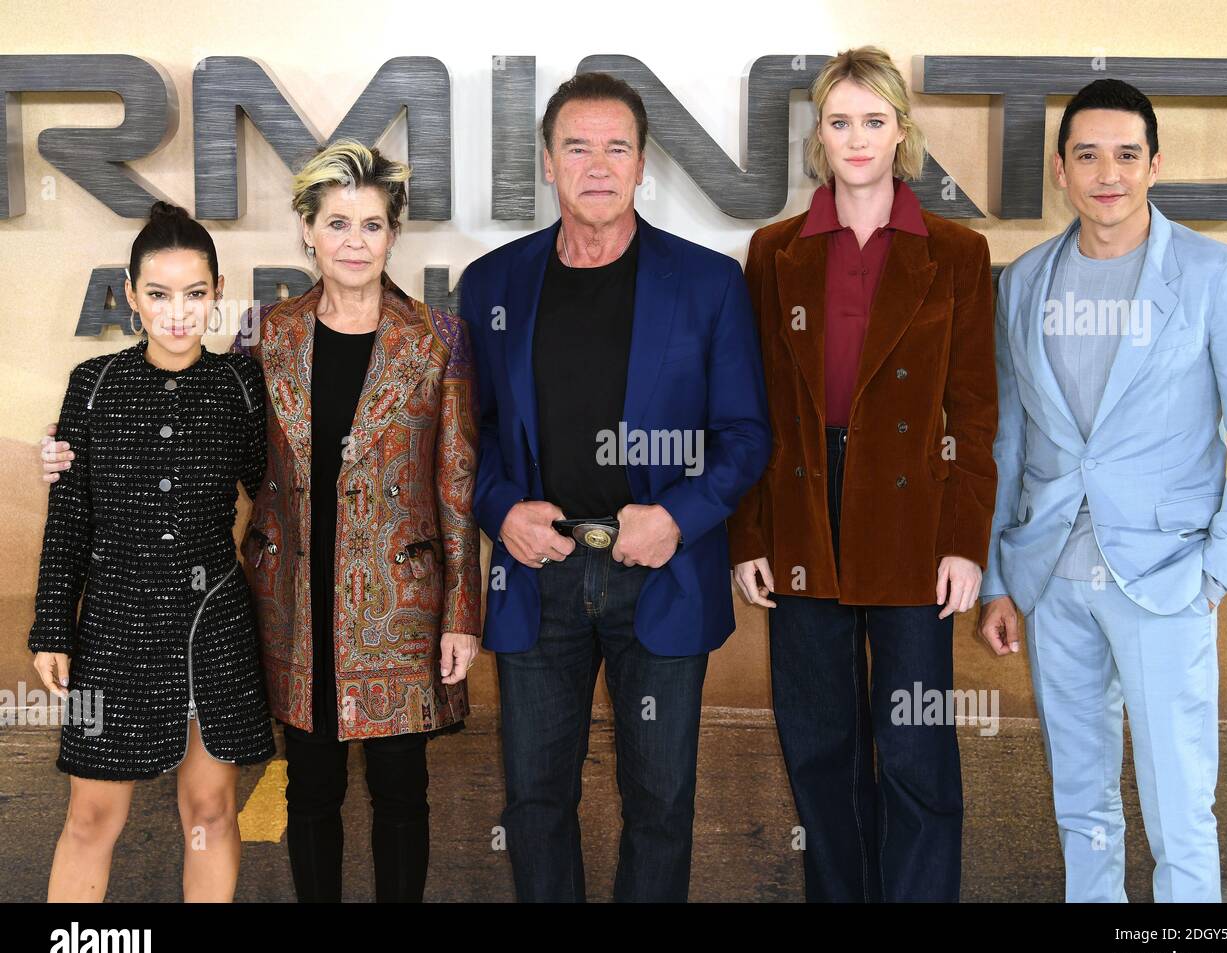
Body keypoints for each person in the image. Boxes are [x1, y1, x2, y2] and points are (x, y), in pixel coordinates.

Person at [43, 140, 482, 903]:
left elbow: (457, 484)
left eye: (372, 225)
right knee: (305, 790)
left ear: (392, 234)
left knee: (397, 795)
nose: (354, 241)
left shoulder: (436, 340)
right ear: (307, 230)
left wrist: (461, 613)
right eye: (337, 222)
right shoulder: (266, 338)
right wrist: (67, 461)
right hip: (282, 610)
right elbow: (232, 467)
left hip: (394, 611)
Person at [979, 79, 1227, 902]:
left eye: (1126, 155)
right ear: (1060, 170)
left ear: (1155, 165)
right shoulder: (1023, 284)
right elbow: (1009, 441)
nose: (1107, 173)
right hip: (1053, 582)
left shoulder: (1216, 275)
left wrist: (1219, 569)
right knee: (1080, 804)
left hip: (1166, 580)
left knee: (1181, 810)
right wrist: (999, 577)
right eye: (1088, 155)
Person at [459, 72, 771, 902]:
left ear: (642, 169)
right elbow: (471, 433)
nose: (597, 166)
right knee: (533, 799)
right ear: (550, 165)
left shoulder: (707, 284)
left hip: (660, 574)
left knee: (661, 803)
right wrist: (499, 510)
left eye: (617, 148)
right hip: (539, 572)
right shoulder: (492, 287)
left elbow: (745, 436)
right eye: (577, 147)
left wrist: (676, 517)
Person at [730, 46, 998, 903]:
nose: (856, 138)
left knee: (916, 748)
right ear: (820, 134)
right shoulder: (773, 253)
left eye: (873, 121)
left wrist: (964, 544)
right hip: (803, 507)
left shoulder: (956, 253)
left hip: (912, 513)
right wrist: (750, 535)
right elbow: (752, 410)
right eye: (840, 121)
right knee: (819, 746)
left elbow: (976, 414)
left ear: (900, 133)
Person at [31, 201, 275, 901]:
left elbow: (274, 499)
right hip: (112, 626)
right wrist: (53, 623)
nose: (178, 313)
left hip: (213, 628)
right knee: (89, 816)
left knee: (209, 812)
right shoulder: (94, 383)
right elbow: (70, 513)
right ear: (131, 296)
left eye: (195, 294)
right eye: (160, 294)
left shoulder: (239, 386)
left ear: (216, 294)